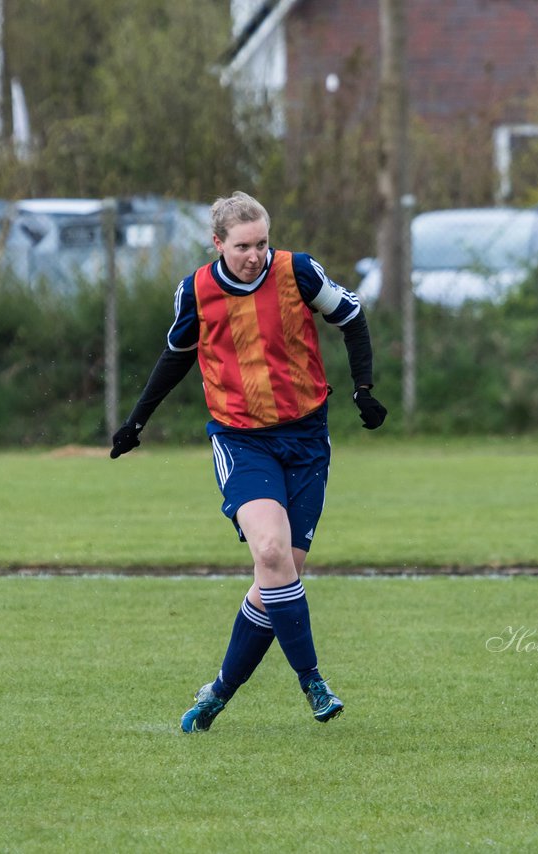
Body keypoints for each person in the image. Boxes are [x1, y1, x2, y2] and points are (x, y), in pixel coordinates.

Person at [110, 191, 387, 733]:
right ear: (218, 244)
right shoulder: (197, 291)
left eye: (262, 242)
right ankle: (312, 680)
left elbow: (351, 318)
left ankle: (217, 693)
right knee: (269, 550)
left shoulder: (299, 272)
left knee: (279, 573)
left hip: (306, 438)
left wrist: (364, 390)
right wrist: (136, 422)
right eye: (242, 246)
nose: (255, 255)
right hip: (241, 439)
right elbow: (176, 356)